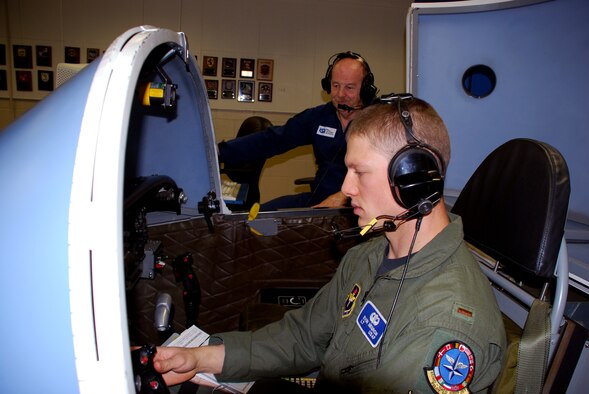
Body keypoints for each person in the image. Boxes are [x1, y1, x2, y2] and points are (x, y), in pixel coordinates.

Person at [154, 95, 506, 393]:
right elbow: (304, 337)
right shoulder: (370, 254)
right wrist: (202, 356)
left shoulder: (443, 324)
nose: (347, 188)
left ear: (412, 179)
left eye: (360, 172)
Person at [218, 51, 378, 210]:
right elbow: (273, 140)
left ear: (365, 89)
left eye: (349, 87)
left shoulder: (380, 122)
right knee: (259, 218)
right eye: (335, 86)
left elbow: (385, 175)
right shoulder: (319, 117)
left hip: (360, 207)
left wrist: (344, 196)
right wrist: (218, 152)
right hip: (319, 202)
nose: (340, 94)